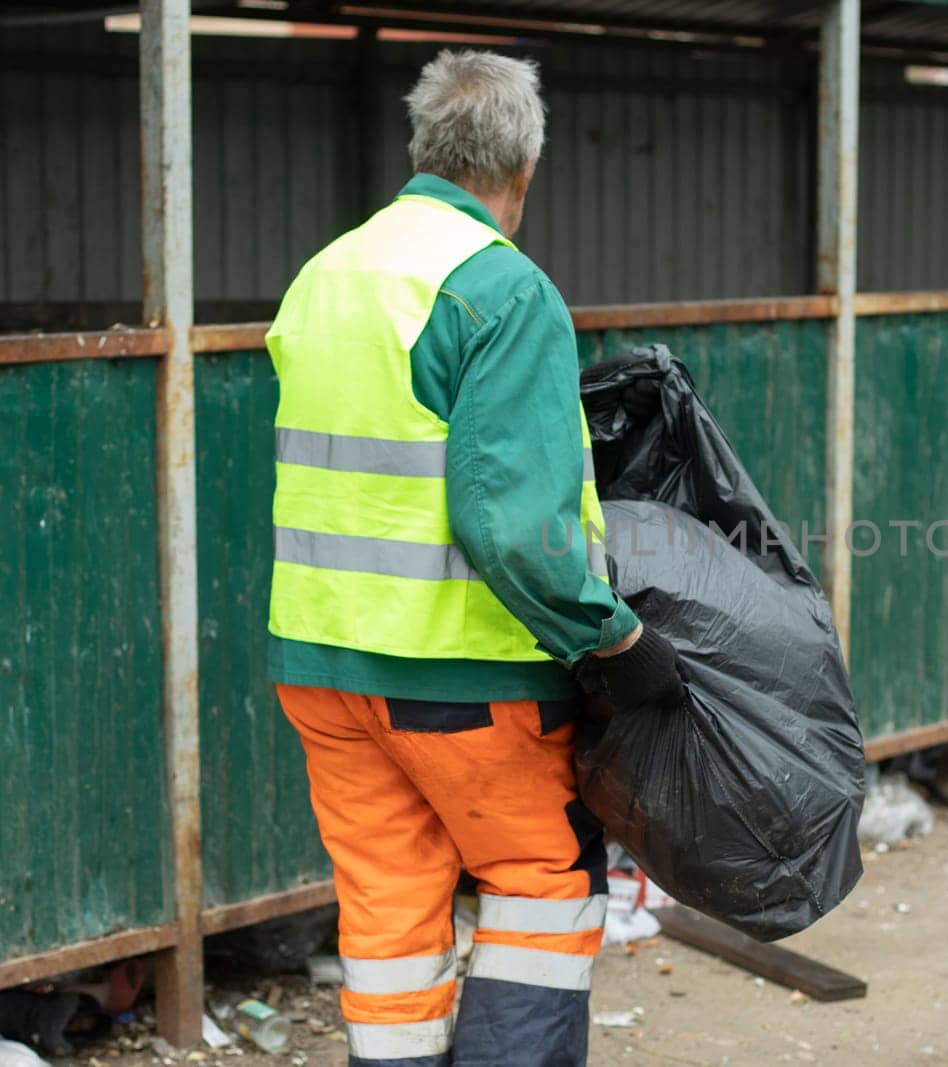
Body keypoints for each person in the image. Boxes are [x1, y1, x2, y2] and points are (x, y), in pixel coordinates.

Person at [264, 49, 684, 1067]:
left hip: (321, 663)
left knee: (390, 912)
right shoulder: (500, 290)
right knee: (540, 883)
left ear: (425, 149)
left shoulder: (326, 272)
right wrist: (614, 634)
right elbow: (508, 523)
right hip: (462, 674)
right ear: (523, 169)